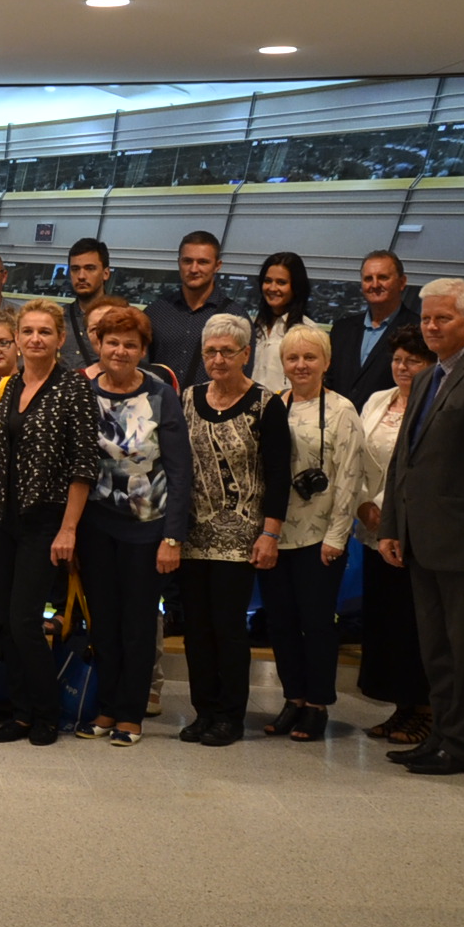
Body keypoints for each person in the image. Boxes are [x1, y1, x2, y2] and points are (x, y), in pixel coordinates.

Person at [377, 278, 464, 776]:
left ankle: (462, 748)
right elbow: (404, 461)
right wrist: (392, 526)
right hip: (421, 539)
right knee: (437, 651)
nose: (431, 327)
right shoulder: (426, 379)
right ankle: (439, 735)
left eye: (443, 318)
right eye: (426, 319)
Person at [0, 299, 98, 745]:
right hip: (0, 519)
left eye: (44, 332)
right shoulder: (7, 386)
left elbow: (84, 465)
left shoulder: (74, 387)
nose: (35, 339)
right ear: (17, 338)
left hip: (44, 520)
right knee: (7, 621)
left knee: (26, 620)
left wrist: (69, 528)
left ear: (60, 339)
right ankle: (21, 712)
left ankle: (47, 714)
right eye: (27, 331)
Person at [72, 306, 190, 745]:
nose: (120, 351)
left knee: (138, 625)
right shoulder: (82, 392)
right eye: (112, 342)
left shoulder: (161, 395)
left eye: (130, 344)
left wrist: (173, 536)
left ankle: (130, 714)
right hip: (95, 526)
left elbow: (180, 471)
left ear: (143, 350)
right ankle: (105, 709)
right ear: (98, 345)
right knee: (103, 622)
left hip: (148, 527)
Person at [256, 324, 366, 741]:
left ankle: (317, 705)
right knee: (280, 622)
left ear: (326, 362)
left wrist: (338, 536)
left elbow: (349, 478)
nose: (300, 365)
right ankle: (293, 699)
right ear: (282, 363)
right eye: (293, 358)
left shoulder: (342, 410)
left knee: (317, 624)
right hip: (275, 534)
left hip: (320, 538)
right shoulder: (273, 404)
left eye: (309, 357)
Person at [176, 313, 275, 747]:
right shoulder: (188, 397)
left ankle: (231, 716)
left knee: (228, 629)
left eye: (227, 352)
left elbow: (277, 475)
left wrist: (270, 533)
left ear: (245, 354)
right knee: (196, 630)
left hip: (241, 539)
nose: (217, 359)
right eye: (210, 352)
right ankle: (204, 711)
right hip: (192, 534)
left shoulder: (265, 404)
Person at [354, 328, 436, 742]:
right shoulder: (377, 400)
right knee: (386, 624)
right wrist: (363, 504)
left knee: (416, 624)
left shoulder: (437, 404)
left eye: (413, 361)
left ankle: (426, 710)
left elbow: (426, 469)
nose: (402, 368)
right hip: (373, 531)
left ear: (432, 365)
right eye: (397, 360)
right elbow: (357, 457)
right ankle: (402, 707)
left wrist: (388, 512)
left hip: (414, 531)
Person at [147, 231, 244, 389]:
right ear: (179, 262)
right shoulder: (156, 312)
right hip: (158, 403)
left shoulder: (235, 317)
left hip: (211, 404)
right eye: (187, 261)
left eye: (203, 262)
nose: (193, 269)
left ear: (217, 265)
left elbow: (243, 375)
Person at [327, 250, 416, 407]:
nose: (375, 285)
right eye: (368, 278)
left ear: (402, 282)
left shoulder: (417, 330)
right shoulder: (341, 330)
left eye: (383, 277)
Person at [249, 251, 319, 394]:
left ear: (296, 287)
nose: (272, 288)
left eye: (281, 282)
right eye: (268, 281)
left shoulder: (308, 331)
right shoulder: (253, 326)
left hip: (285, 406)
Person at [57, 238, 115, 371]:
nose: (81, 276)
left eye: (90, 268)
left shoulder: (124, 319)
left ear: (106, 273)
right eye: (75, 269)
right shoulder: (58, 319)